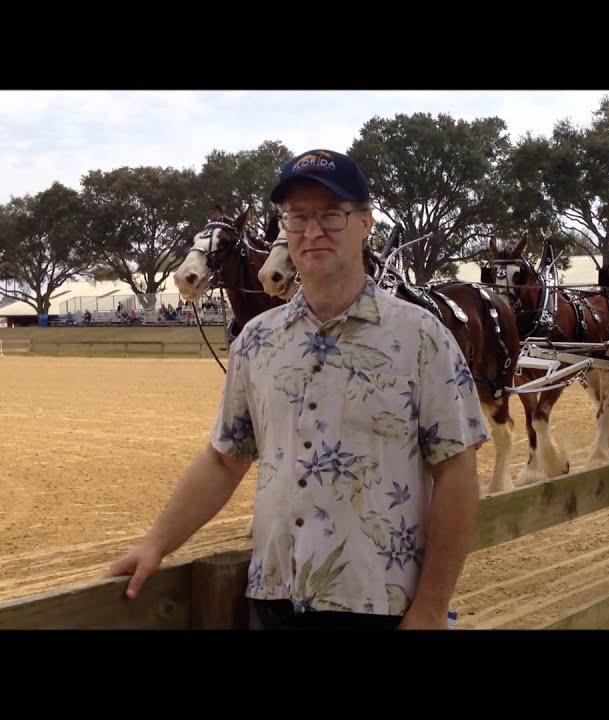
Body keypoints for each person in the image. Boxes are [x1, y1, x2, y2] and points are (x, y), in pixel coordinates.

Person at [104, 148, 488, 630]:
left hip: (381, 606)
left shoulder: (421, 337)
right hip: (274, 602)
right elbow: (224, 459)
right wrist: (156, 543)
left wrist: (432, 606)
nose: (312, 230)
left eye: (331, 214)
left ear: (365, 222)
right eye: (298, 216)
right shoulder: (256, 342)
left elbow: (457, 472)